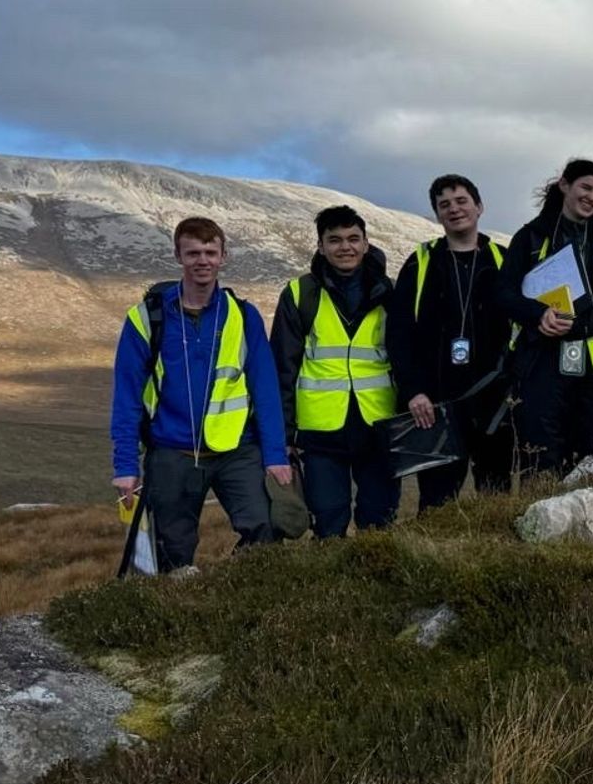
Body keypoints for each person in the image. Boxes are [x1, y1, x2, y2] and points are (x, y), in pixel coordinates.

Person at [109, 217, 291, 571]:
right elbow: (127, 398)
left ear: (224, 256)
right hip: (172, 451)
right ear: (178, 255)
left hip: (237, 450)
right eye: (193, 252)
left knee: (265, 530)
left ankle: (238, 601)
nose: (202, 260)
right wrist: (125, 465)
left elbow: (265, 389)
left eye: (210, 252)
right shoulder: (145, 318)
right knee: (170, 553)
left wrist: (275, 456)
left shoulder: (243, 315)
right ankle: (180, 611)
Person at [493, 159, 593, 477]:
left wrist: (582, 325)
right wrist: (538, 315)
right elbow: (504, 293)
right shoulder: (531, 236)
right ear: (565, 185)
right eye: (586, 187)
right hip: (541, 362)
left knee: (589, 461)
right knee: (540, 457)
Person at [388, 173, 514, 510]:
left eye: (461, 201)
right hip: (437, 403)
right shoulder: (420, 263)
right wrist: (413, 390)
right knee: (435, 503)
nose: (454, 209)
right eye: (444, 205)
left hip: (495, 402)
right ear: (436, 215)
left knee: (496, 499)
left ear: (479, 206)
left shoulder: (504, 261)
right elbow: (399, 333)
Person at [274, 205, 400, 537]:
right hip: (320, 431)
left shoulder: (390, 292)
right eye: (335, 240)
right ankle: (333, 588)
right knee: (328, 524)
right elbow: (283, 369)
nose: (345, 247)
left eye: (353, 239)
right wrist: (283, 436)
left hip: (379, 425)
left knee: (380, 521)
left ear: (366, 243)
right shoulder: (300, 293)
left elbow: (407, 357)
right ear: (320, 246)